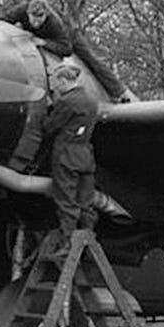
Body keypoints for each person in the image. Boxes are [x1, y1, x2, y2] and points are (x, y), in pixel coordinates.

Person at [1, 0, 133, 102]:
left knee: (91, 60)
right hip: (42, 36)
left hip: (69, 36)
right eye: (33, 19)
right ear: (27, 13)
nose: (35, 23)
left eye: (39, 19)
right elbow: (1, 21)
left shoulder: (55, 23)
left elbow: (66, 49)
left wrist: (44, 43)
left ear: (45, 15)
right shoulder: (20, 10)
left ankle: (119, 91)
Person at [43, 63, 99, 248]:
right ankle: (88, 238)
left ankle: (67, 243)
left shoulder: (67, 102)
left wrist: (47, 111)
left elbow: (49, 127)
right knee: (86, 201)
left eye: (56, 82)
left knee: (66, 200)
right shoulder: (91, 99)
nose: (54, 87)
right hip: (85, 155)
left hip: (66, 155)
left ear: (63, 80)